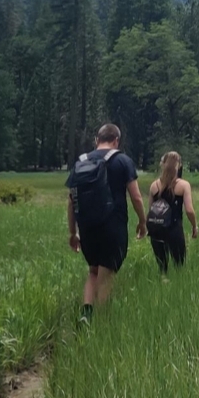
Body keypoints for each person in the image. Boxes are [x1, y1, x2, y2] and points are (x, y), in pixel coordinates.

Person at [66, 123, 147, 322]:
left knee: (93, 271)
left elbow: (71, 200)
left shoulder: (81, 161)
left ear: (97, 139)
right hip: (113, 226)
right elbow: (136, 197)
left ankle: (86, 313)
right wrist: (142, 221)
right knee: (107, 273)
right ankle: (100, 322)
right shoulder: (123, 161)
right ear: (116, 140)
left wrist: (73, 232)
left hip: (87, 227)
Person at [147, 150, 198, 274]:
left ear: (163, 165)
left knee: (162, 268)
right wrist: (194, 226)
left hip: (156, 231)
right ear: (179, 166)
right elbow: (189, 210)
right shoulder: (183, 185)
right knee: (179, 267)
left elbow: (150, 210)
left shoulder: (154, 186)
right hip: (174, 230)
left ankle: (162, 283)